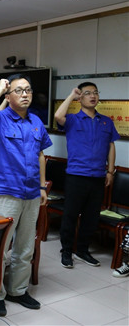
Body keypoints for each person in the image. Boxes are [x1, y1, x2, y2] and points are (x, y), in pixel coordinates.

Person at [0, 74, 52, 317]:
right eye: (19, 90)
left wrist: (42, 187)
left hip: (31, 193)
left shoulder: (36, 121)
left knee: (25, 246)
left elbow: (41, 155)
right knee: (0, 247)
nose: (25, 94)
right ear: (9, 97)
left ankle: (18, 290)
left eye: (28, 90)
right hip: (5, 193)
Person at [54, 82, 120, 268]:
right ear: (80, 98)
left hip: (98, 176)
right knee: (70, 215)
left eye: (95, 93)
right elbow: (58, 116)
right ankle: (66, 251)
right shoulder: (73, 119)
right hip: (76, 175)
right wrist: (71, 95)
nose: (93, 96)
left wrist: (110, 171)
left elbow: (111, 145)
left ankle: (82, 251)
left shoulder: (106, 121)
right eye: (88, 93)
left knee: (91, 217)